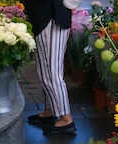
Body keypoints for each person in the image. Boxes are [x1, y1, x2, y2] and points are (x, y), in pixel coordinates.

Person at [22, 0, 76, 134]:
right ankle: (51, 109)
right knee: (44, 68)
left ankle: (66, 118)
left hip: (51, 15)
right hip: (45, 15)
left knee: (52, 72)